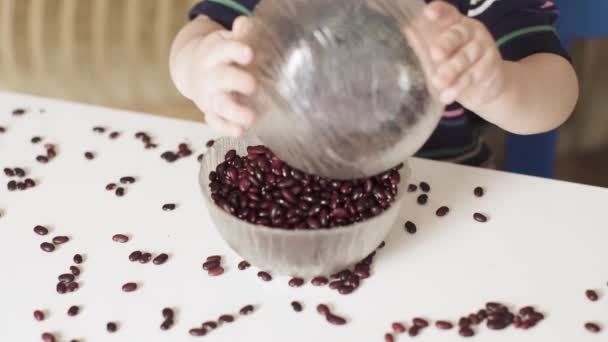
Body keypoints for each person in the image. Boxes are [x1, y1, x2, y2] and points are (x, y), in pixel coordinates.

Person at [170, 0, 578, 167]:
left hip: (442, 187)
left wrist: (497, 83)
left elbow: (555, 91)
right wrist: (198, 68)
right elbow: (201, 31)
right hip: (287, 175)